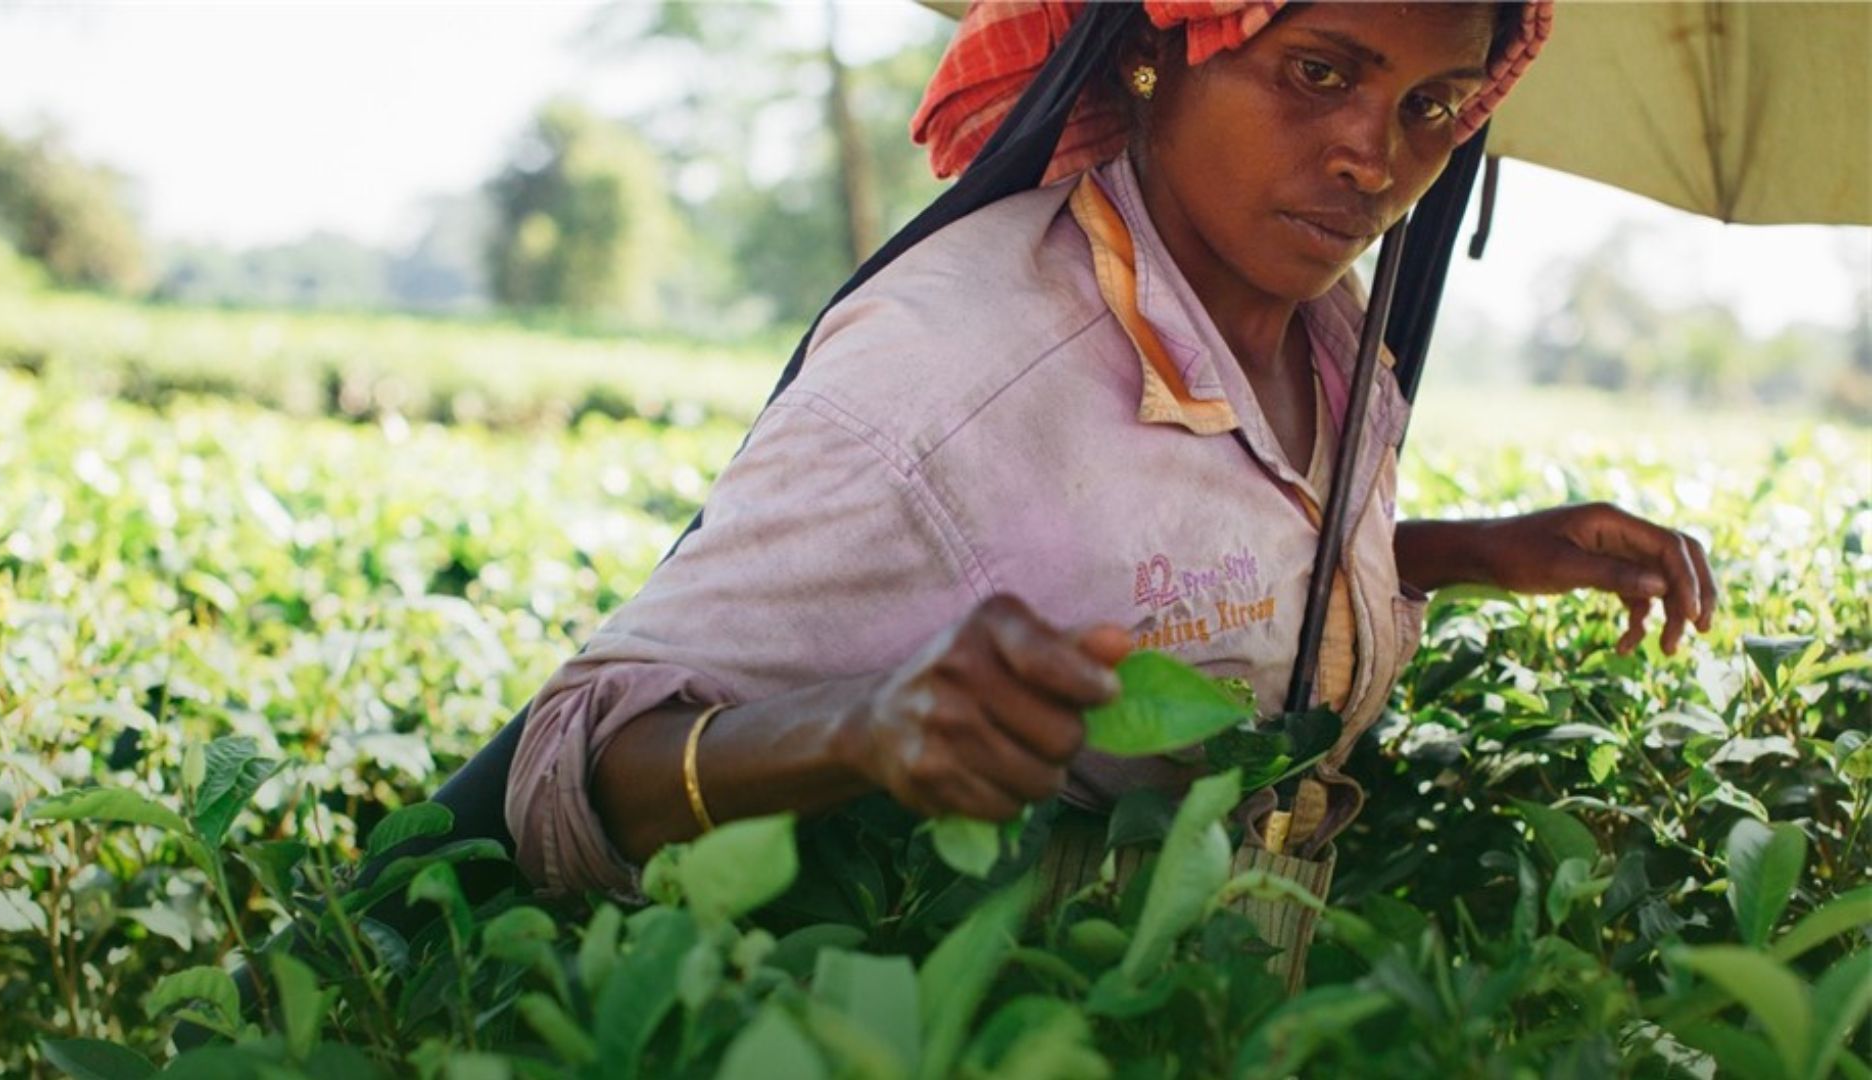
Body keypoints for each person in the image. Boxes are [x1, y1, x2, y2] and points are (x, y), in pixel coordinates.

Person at [501, 0, 1717, 909]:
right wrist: (860, 727)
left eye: (1433, 106)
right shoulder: (956, 369)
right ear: (1158, 48)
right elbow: (573, 767)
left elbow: (1169, 564)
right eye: (1316, 71)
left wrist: (1468, 554)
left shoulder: (1327, 328)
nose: (1377, 155)